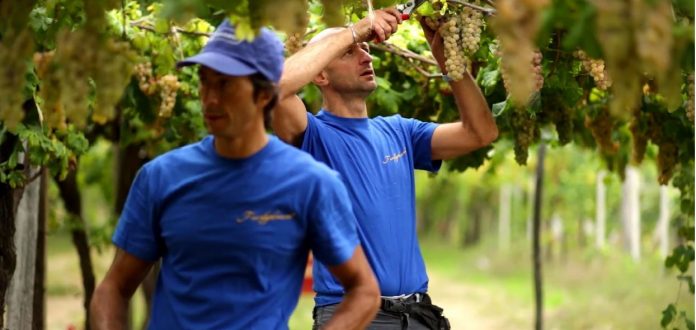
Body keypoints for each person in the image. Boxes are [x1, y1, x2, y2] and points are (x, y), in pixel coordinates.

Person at [90, 20, 380, 330]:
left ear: (265, 95)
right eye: (205, 81)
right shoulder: (161, 178)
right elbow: (114, 289)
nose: (210, 98)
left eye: (226, 84)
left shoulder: (310, 184)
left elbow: (364, 291)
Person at [273, 8, 498, 329]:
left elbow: (481, 133)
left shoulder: (400, 131)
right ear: (319, 75)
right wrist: (356, 30)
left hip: (418, 313)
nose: (366, 57)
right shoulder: (312, 135)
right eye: (349, 53)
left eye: (367, 49)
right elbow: (274, 87)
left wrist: (451, 64)